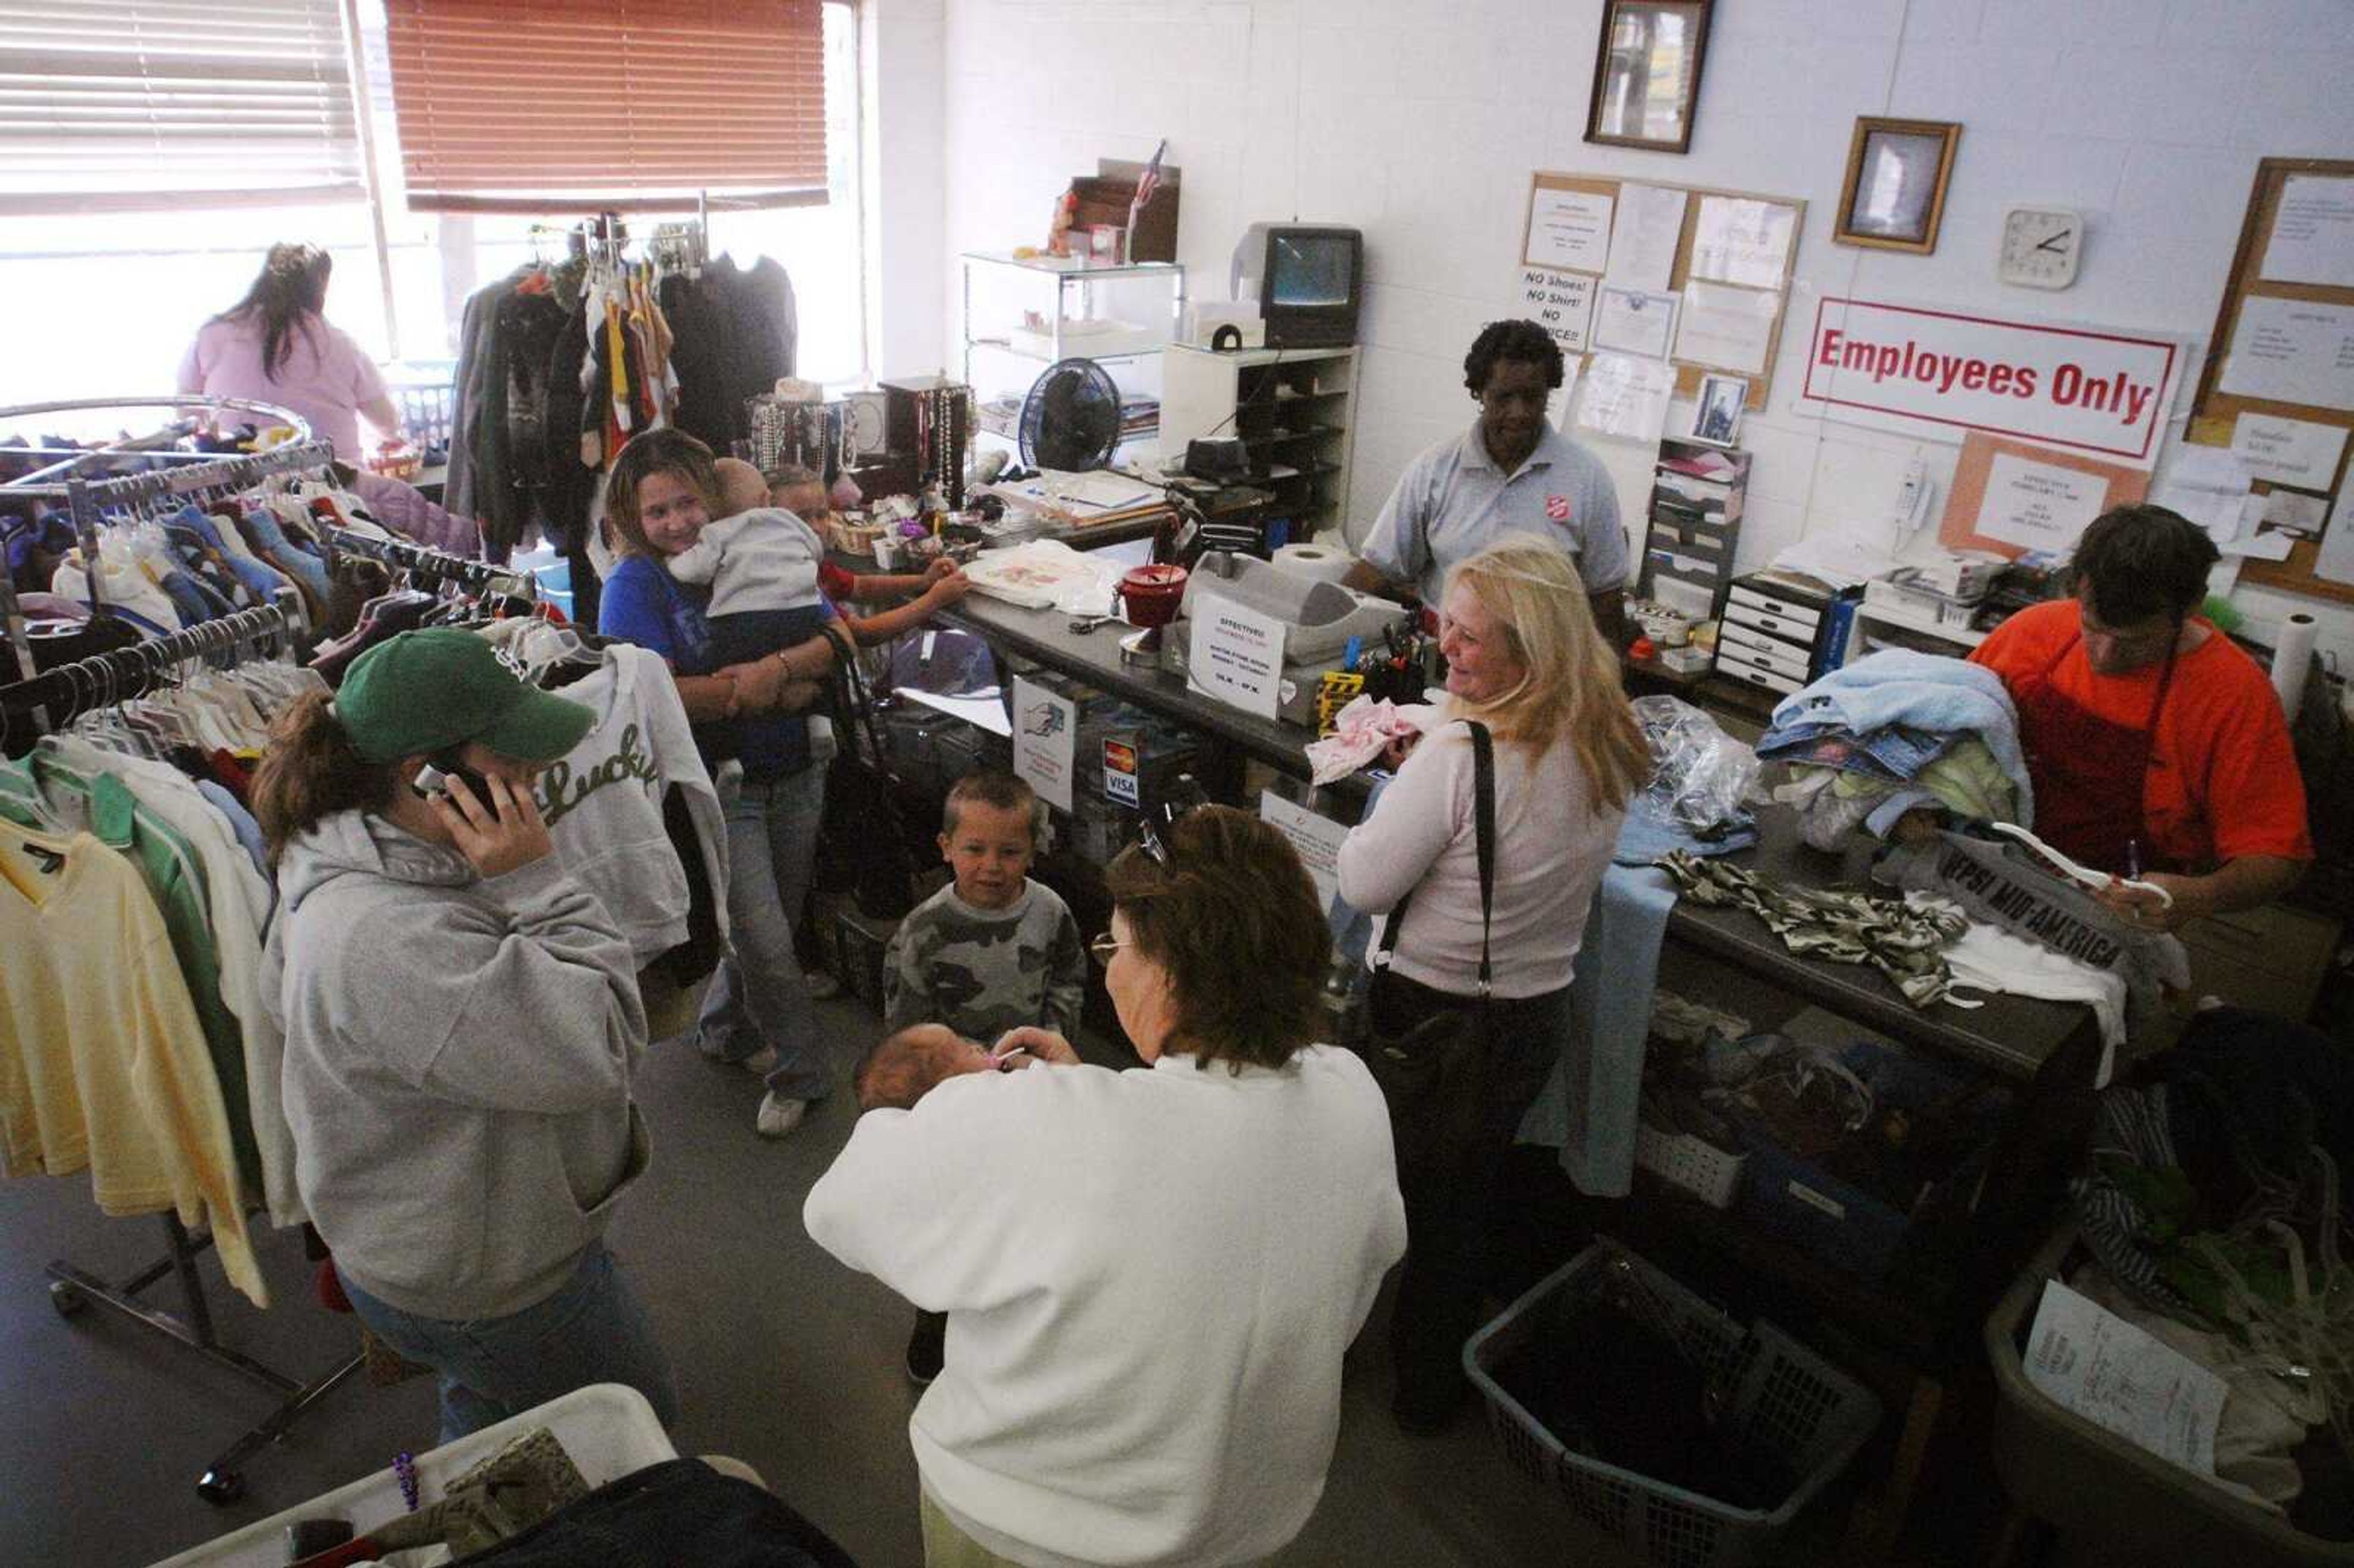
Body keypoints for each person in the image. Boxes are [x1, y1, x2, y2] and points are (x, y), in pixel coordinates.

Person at [806, 807, 1406, 1568]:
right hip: (1243, 1526)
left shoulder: (1037, 1122)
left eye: (1116, 945)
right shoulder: (1354, 1095)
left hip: (1024, 1528)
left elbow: (842, 1204)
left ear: (1170, 973)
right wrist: (1090, 1090)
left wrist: (979, 1096)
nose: (1109, 967)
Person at [254, 629, 677, 1443]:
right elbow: (604, 1045)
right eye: (511, 756)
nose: (536, 774)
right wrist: (537, 882)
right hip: (491, 1283)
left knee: (492, 1417)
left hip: (434, 1249)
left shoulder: (347, 846)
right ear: (427, 775)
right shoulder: (390, 937)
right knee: (630, 1437)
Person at [1336, 536, 1648, 1433]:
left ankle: (1317, 1354)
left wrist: (1396, 791)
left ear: (1533, 649)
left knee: (1367, 1196)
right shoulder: (1609, 740)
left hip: (1424, 1023)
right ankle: (1428, 1392)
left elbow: (1363, 884)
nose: (1448, 650)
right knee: (1462, 1208)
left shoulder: (1459, 754)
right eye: (1449, 627)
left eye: (1472, 638)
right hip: (1530, 1017)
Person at [598, 428, 844, 1138]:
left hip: (797, 767)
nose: (678, 524)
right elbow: (650, 693)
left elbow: (836, 638)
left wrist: (769, 675)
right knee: (765, 940)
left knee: (775, 923)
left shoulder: (754, 540)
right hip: (717, 791)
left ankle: (724, 1028)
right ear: (633, 521)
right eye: (657, 513)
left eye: (687, 503)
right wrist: (765, 685)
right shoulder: (636, 584)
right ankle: (803, 1070)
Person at [1967, 503, 2312, 933]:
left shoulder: (2234, 695)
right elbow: (1947, 729)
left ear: (2193, 606)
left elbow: (2277, 859)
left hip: (2113, 915)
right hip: (1984, 870)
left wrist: (2200, 896)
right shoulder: (2031, 632)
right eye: (2093, 627)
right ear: (2078, 588)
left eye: (2136, 640)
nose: (2105, 657)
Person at [882, 769, 1088, 1386]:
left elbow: (1070, 978)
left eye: (1010, 851)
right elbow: (907, 1031)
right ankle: (936, 1315)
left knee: (1022, 1210)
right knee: (951, 1218)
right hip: (956, 1108)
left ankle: (1010, 1317)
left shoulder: (1050, 912)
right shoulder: (924, 930)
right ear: (946, 846)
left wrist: (1051, 1044)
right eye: (975, 849)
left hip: (1032, 1092)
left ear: (1033, 850)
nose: (993, 866)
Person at [1346, 318, 1629, 645]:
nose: (1519, 412)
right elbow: (1375, 570)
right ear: (1479, 393)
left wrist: (1604, 688)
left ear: (1548, 393)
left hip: (1543, 660)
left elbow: (1606, 600)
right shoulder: (1434, 470)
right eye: (1503, 397)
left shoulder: (1587, 477)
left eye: (1532, 397)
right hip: (1450, 657)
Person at [178, 243, 402, 464]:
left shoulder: (212, 335)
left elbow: (186, 414)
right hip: (337, 483)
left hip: (242, 483)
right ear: (321, 286)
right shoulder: (342, 345)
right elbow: (387, 424)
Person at [764, 463, 974, 645]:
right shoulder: (788, 580)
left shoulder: (814, 565)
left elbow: (860, 586)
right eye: (801, 519)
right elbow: (863, 633)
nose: (816, 527)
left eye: (821, 515)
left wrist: (924, 580)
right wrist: (935, 599)